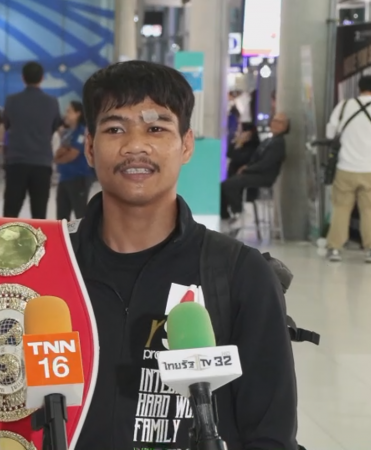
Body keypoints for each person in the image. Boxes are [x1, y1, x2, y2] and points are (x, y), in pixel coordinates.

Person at [68, 61, 297, 449]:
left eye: (156, 128)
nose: (135, 146)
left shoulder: (239, 274)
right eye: (115, 129)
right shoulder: (52, 266)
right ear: (90, 147)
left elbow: (270, 435)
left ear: (186, 144)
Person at [324, 75, 371, 263]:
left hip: (345, 167)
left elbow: (330, 133)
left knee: (341, 208)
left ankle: (334, 249)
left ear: (358, 88)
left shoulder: (344, 106)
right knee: (369, 210)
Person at [2, 62, 63, 219]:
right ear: (42, 78)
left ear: (23, 78)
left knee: (11, 211)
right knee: (39, 212)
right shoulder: (52, 102)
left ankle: (7, 235)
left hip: (16, 161)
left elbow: (7, 125)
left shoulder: (11, 101)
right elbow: (54, 127)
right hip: (41, 162)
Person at [220, 113, 289, 221]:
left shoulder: (278, 143)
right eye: (274, 120)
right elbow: (233, 154)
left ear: (285, 127)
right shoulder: (268, 141)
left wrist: (247, 169)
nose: (275, 124)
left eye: (279, 122)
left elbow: (265, 163)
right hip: (256, 173)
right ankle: (228, 215)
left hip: (263, 176)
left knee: (229, 184)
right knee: (226, 184)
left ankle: (238, 213)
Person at [54, 100, 92, 220]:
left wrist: (59, 159)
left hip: (78, 177)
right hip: (64, 178)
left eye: (69, 111)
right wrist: (62, 153)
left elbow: (73, 154)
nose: (66, 114)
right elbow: (59, 151)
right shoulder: (68, 133)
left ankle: (85, 233)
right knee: (61, 216)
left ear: (78, 113)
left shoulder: (82, 132)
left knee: (80, 214)